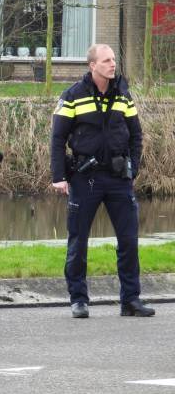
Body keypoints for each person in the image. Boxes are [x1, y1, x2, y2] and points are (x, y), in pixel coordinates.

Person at [51, 43, 154, 318]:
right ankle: (79, 300)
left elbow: (136, 135)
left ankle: (131, 300)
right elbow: (58, 138)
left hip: (119, 177)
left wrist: (133, 169)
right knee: (78, 240)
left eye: (113, 60)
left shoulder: (123, 94)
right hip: (86, 178)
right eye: (106, 60)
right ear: (92, 65)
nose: (112, 65)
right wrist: (59, 177)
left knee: (129, 240)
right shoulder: (72, 96)